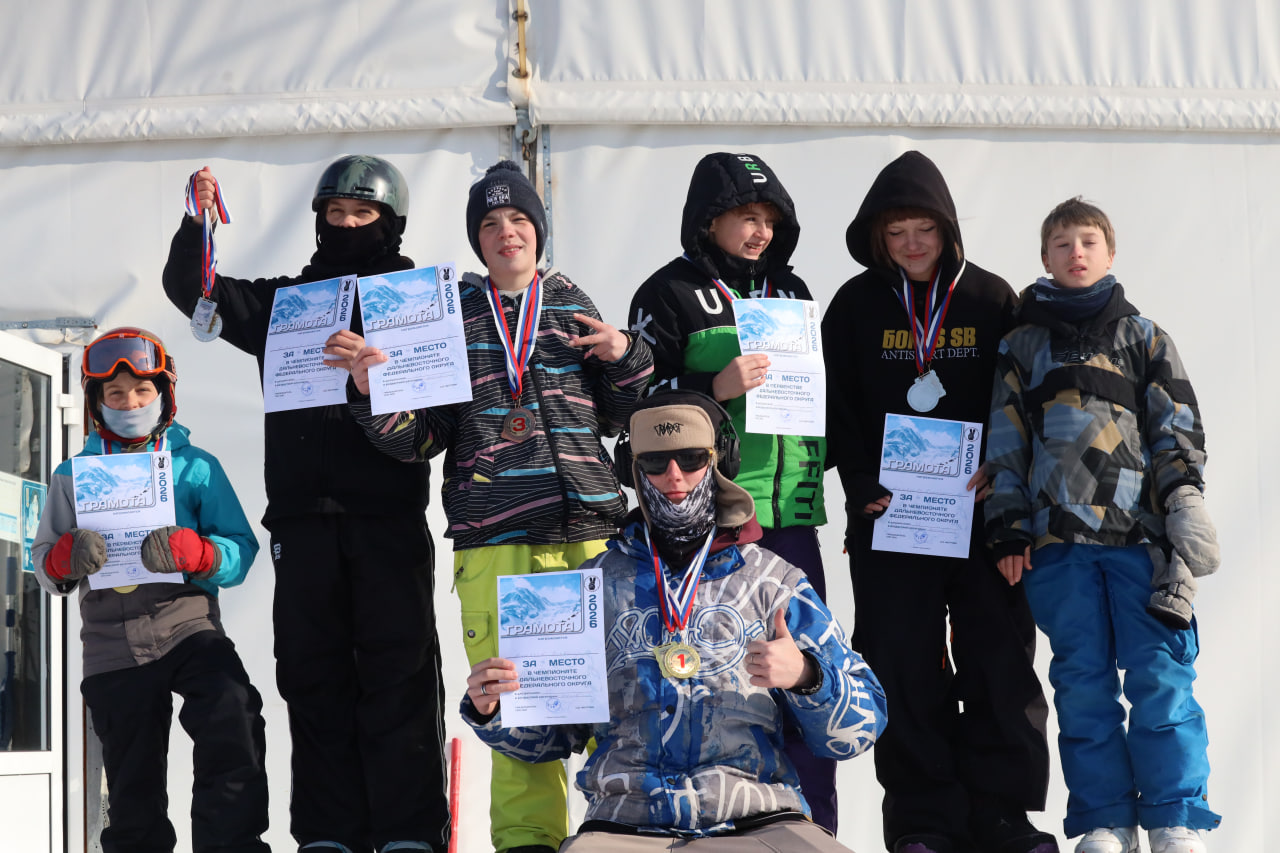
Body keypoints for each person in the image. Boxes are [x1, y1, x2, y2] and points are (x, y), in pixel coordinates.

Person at [347, 160, 653, 853]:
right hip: (496, 538)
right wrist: (372, 392)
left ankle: (622, 837)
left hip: (593, 537)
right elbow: (421, 437)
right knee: (521, 712)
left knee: (619, 700)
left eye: (518, 219)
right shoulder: (450, 312)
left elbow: (620, 415)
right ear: (477, 241)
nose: (506, 231)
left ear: (538, 232)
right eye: (490, 223)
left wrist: (624, 352)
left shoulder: (571, 299)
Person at [162, 156, 446, 853]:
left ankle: (408, 833)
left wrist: (371, 372)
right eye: (335, 213)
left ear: (391, 222)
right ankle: (328, 835)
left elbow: (437, 421)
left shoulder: (416, 301)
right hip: (302, 522)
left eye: (363, 214)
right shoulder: (287, 301)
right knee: (312, 676)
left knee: (397, 674)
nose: (346, 225)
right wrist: (198, 222)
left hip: (386, 518)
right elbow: (193, 292)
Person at [458, 389, 886, 852]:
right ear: (632, 471)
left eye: (690, 458)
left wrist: (808, 676)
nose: (674, 476)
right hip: (623, 827)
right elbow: (548, 741)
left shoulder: (774, 581)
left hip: (758, 820)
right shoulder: (587, 587)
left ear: (719, 461)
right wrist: (495, 708)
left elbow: (860, 731)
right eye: (656, 463)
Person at [823, 151, 1056, 853]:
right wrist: (860, 483)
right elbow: (839, 407)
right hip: (891, 522)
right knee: (902, 665)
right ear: (877, 238)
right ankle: (924, 821)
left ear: (948, 230)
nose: (913, 244)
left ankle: (1004, 818)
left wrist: (1003, 469)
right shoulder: (855, 305)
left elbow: (1025, 399)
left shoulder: (992, 299)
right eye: (898, 233)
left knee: (1001, 662)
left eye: (925, 228)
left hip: (983, 521)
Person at [985, 197, 1221, 853]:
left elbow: (1176, 429)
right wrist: (1006, 525)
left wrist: (1183, 500)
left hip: (1139, 543)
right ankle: (1103, 819)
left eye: (1088, 241)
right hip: (1058, 548)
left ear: (1110, 253)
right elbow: (1004, 443)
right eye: (1062, 243)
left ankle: (1174, 814)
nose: (1076, 252)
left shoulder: (1143, 337)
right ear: (1045, 258)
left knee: (1161, 677)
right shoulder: (1021, 345)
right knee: (1082, 686)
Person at [627, 152, 836, 830]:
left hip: (792, 513)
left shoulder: (794, 290)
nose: (761, 232)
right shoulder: (667, 293)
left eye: (770, 220)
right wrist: (712, 390)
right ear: (709, 218)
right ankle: (705, 825)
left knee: (804, 672)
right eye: (748, 217)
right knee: (716, 678)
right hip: (716, 518)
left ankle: (812, 826)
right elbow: (632, 405)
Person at [31, 327, 269, 853]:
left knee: (232, 715)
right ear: (96, 404)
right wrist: (64, 557)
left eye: (142, 391)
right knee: (132, 780)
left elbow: (240, 549)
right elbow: (45, 566)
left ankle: (231, 845)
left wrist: (202, 555)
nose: (130, 402)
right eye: (115, 394)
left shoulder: (196, 466)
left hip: (187, 625)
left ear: (164, 394)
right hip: (112, 642)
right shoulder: (73, 476)